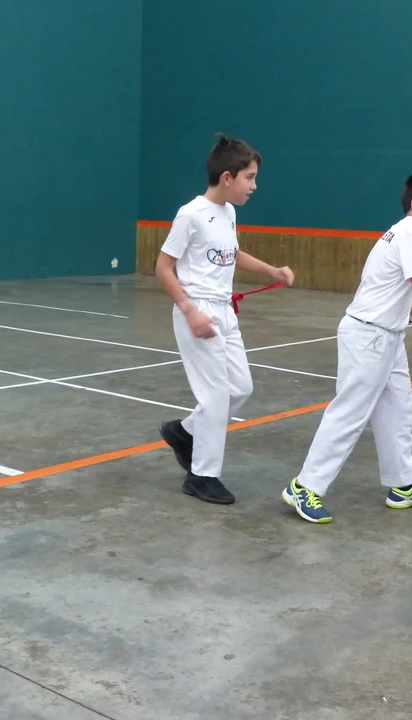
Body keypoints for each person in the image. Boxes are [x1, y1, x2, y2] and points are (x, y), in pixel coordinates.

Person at [281, 172, 412, 524]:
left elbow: (389, 282)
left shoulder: (400, 232)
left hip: (388, 337)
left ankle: (402, 484)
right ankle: (304, 486)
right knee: (349, 413)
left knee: (397, 410)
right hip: (369, 338)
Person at [155, 135, 294, 505]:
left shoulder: (229, 213)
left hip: (224, 310)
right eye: (250, 178)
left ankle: (185, 432)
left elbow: (232, 253)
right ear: (228, 177)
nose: (254, 186)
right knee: (216, 395)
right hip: (197, 310)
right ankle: (202, 476)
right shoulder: (190, 214)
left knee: (241, 388)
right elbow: (163, 267)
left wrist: (272, 270)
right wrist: (190, 311)